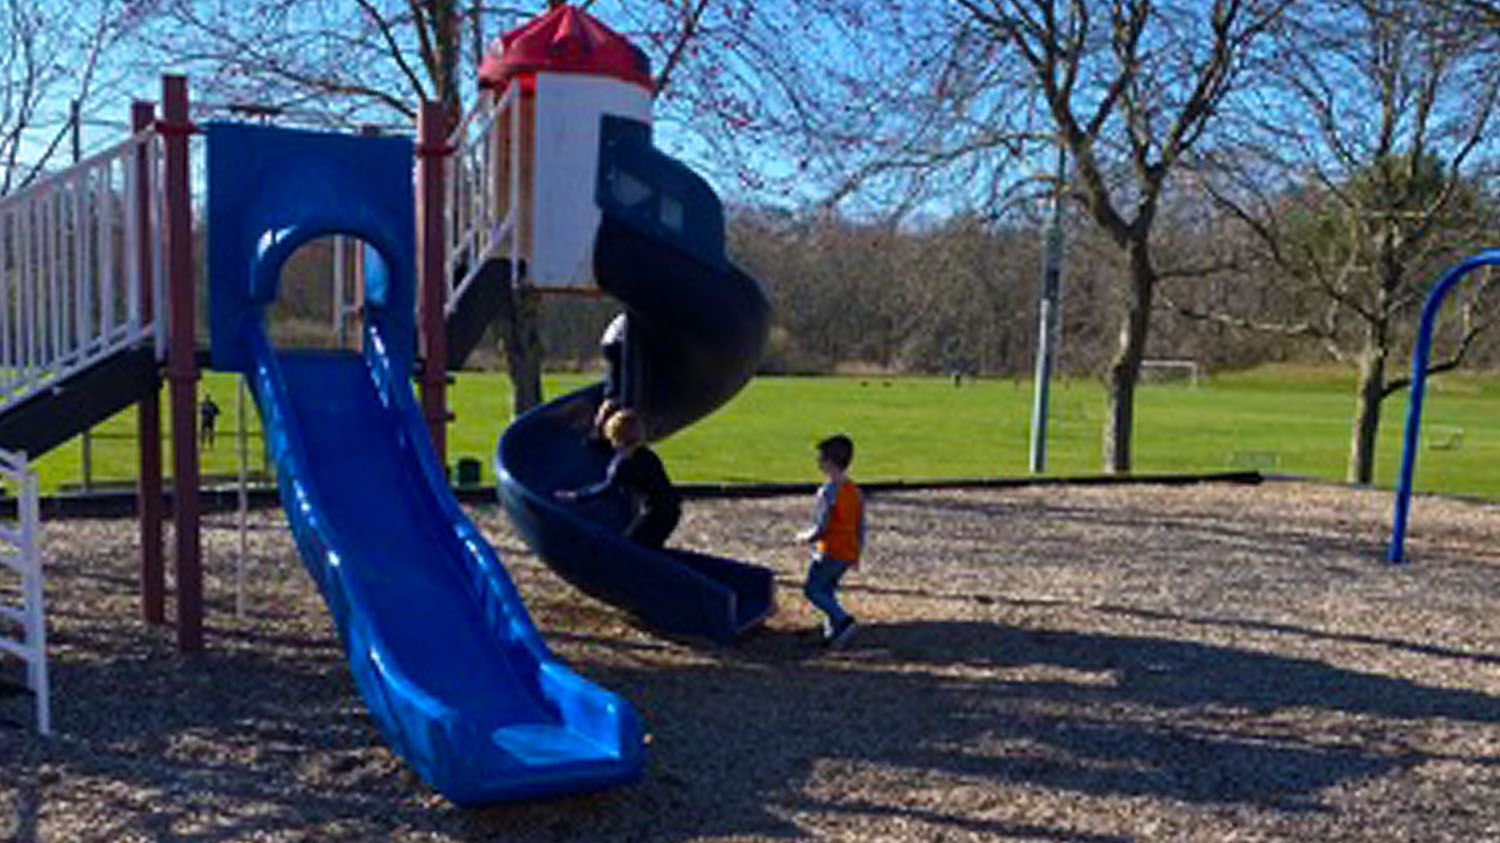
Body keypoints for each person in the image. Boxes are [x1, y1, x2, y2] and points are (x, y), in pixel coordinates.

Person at [555, 409, 681, 549]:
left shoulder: (623, 465)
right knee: (651, 544)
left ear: (614, 437)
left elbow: (605, 489)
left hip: (654, 513)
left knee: (630, 546)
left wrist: (576, 496)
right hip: (672, 508)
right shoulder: (647, 455)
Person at [798, 434, 864, 648]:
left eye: (821, 459)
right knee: (828, 590)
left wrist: (804, 537)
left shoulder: (827, 492)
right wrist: (857, 553)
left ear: (829, 462)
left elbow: (821, 527)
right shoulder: (855, 492)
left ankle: (843, 621)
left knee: (813, 590)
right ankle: (833, 632)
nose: (818, 463)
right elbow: (860, 526)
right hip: (847, 552)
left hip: (830, 551)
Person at [593, 313, 629, 439]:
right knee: (616, 395)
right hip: (618, 343)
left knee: (615, 392)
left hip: (613, 341)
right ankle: (599, 430)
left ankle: (599, 429)